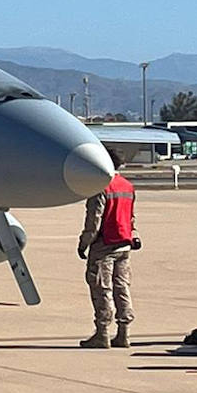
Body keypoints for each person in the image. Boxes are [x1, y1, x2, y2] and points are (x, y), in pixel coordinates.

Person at [77, 149, 140, 348]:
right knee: (122, 288)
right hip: (124, 243)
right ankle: (124, 333)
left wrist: (84, 243)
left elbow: (94, 221)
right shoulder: (127, 186)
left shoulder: (101, 188)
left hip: (105, 244)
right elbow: (130, 217)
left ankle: (102, 332)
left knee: (101, 287)